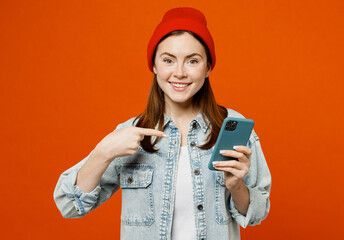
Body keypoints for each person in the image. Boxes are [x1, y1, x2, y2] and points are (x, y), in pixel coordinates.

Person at [54, 7, 271, 240]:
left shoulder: (233, 127)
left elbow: (257, 213)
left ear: (208, 67)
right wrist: (103, 153)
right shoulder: (130, 135)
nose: (179, 72)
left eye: (192, 61)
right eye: (168, 60)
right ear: (154, 66)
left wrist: (237, 186)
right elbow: (69, 205)